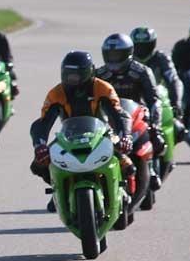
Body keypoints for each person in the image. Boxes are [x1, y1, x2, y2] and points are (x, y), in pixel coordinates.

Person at [30, 51, 134, 212]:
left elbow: (119, 114)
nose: (72, 79)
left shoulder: (103, 88)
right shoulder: (56, 93)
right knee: (38, 164)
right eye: (68, 74)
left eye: (76, 75)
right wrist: (39, 145)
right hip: (68, 136)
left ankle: (121, 191)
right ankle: (59, 188)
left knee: (127, 164)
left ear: (88, 72)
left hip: (103, 133)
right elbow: (43, 123)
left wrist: (125, 136)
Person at [96, 33, 165, 190]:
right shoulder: (99, 75)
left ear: (128, 53)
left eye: (117, 55)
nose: (113, 59)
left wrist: (156, 123)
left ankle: (152, 168)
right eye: (110, 55)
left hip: (138, 114)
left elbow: (153, 99)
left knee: (156, 137)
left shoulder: (141, 71)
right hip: (109, 117)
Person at [131, 26, 187, 143]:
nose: (141, 49)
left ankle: (167, 158)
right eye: (138, 45)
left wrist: (176, 104)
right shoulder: (127, 60)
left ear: (153, 44)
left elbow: (174, 80)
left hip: (159, 100)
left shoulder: (161, 58)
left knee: (177, 128)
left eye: (145, 45)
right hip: (133, 101)